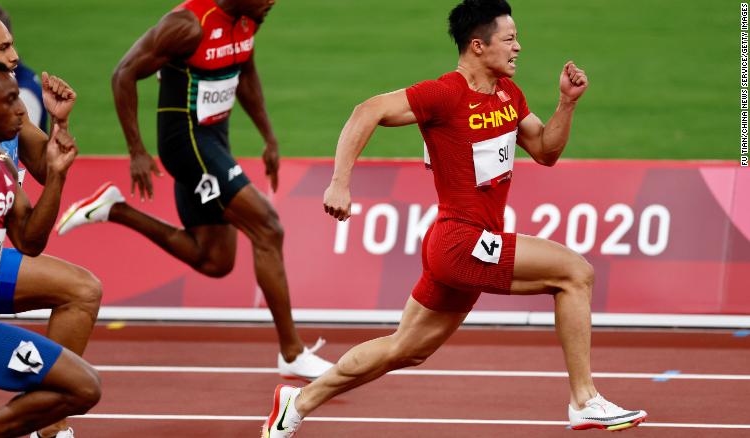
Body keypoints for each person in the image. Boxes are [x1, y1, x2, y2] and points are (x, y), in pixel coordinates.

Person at [262, 0, 648, 436]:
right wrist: (339, 183)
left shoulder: (508, 94)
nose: (519, 47)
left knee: (404, 349)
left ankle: (297, 402)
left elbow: (545, 151)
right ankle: (584, 400)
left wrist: (566, 103)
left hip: (468, 244)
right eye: (509, 39)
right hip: (459, 241)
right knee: (575, 273)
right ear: (478, 46)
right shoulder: (444, 94)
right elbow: (366, 111)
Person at [56, 0, 331, 379]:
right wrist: (136, 150)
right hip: (185, 144)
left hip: (214, 142)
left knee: (214, 261)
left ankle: (115, 209)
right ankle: (291, 352)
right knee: (268, 228)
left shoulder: (249, 19)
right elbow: (123, 73)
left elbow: (245, 71)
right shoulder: (187, 25)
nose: (272, 1)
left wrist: (269, 136)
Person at [0, 12, 103, 438]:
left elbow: (29, 235)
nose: (16, 55)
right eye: (4, 48)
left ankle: (48, 423)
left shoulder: (1, 151)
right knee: (80, 382)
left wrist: (60, 129)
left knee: (82, 290)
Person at [0, 2, 48, 132]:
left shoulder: (22, 94)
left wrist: (60, 124)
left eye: (11, 45)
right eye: (3, 48)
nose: (15, 56)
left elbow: (25, 143)